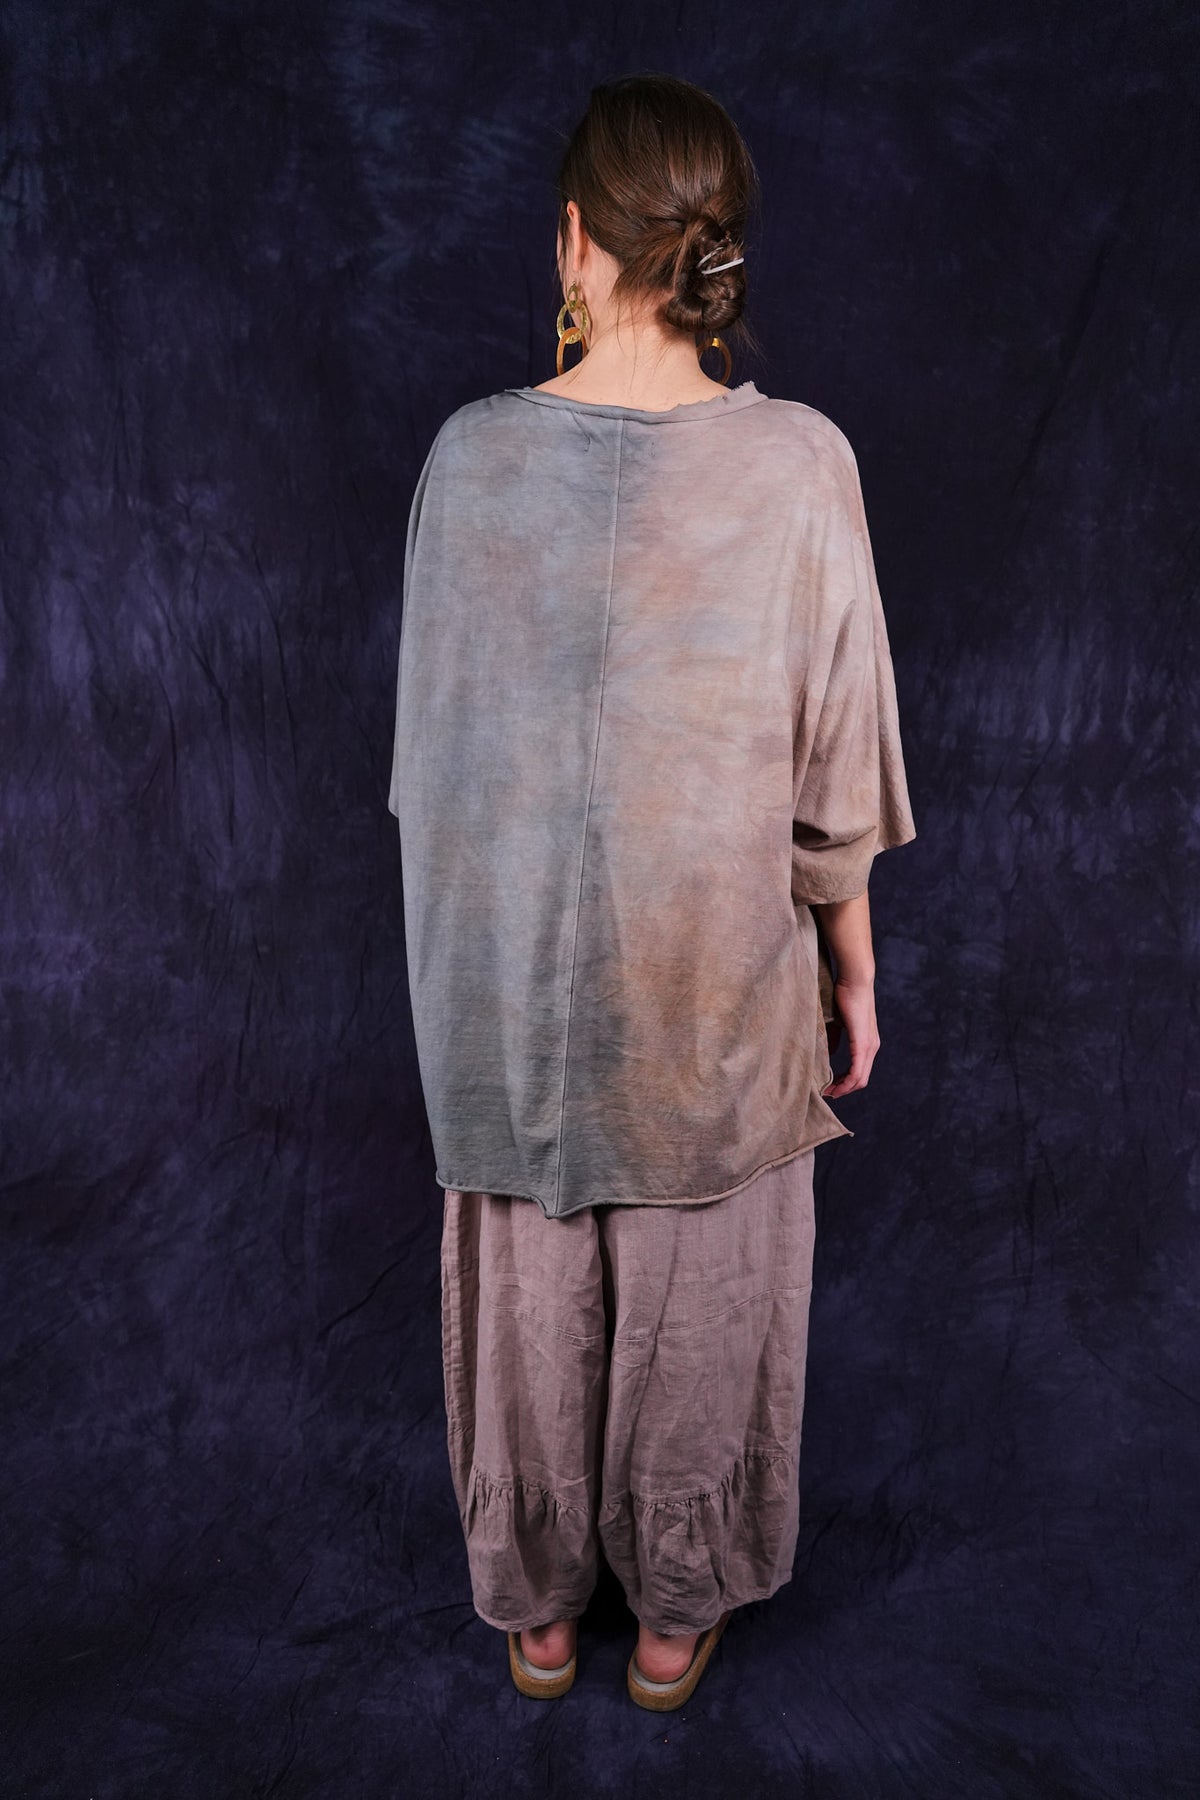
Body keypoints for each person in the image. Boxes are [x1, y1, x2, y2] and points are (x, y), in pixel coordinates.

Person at [387, 72, 916, 1709]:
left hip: (510, 1001)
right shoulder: (803, 463)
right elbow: (837, 782)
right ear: (716, 250)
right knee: (706, 1283)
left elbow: (428, 774)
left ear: (574, 241)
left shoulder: (470, 459)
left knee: (529, 1287)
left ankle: (540, 1615)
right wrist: (853, 979)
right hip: (712, 989)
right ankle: (674, 1623)